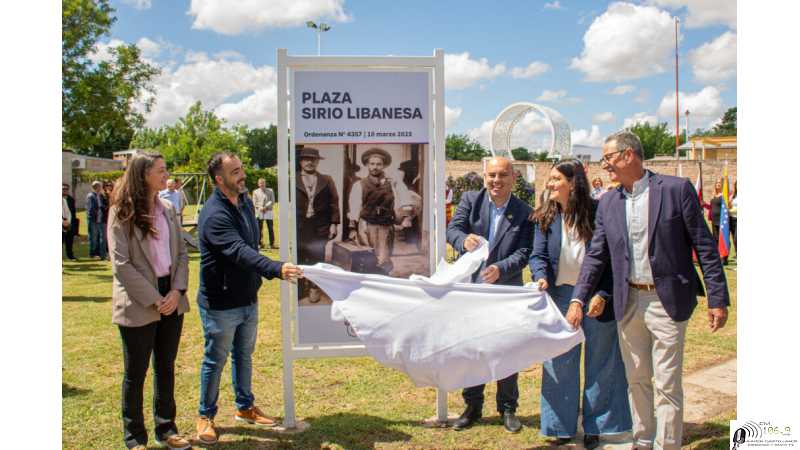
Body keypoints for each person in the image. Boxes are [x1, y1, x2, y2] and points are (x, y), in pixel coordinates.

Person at [571, 131, 730, 450]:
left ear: (629, 155)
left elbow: (705, 246)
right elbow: (596, 256)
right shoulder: (609, 203)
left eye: (608, 158)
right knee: (637, 379)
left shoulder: (676, 190)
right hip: (628, 301)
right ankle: (643, 441)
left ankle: (667, 445)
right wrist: (578, 297)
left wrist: (717, 298)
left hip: (667, 300)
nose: (605, 166)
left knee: (667, 382)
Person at [195, 152, 303, 445]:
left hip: (247, 298)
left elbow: (252, 241)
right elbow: (240, 251)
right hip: (220, 304)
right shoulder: (214, 214)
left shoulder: (243, 202)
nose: (242, 175)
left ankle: (245, 407)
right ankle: (205, 416)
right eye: (235, 172)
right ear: (219, 180)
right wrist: (276, 268)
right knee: (214, 361)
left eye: (241, 169)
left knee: (243, 355)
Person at [529, 159, 631, 449]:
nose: (549, 184)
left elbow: (613, 257)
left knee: (601, 362)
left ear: (573, 183)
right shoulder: (544, 216)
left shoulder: (599, 212)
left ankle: (596, 427)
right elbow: (537, 256)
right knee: (559, 361)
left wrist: (604, 295)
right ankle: (560, 427)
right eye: (549, 179)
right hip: (559, 296)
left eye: (555, 179)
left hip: (596, 296)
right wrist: (540, 277)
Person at [107, 152, 192, 450]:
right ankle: (134, 437)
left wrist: (176, 291)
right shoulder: (121, 211)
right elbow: (121, 265)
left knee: (166, 366)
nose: (165, 174)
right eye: (160, 170)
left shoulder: (168, 207)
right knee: (136, 371)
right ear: (143, 174)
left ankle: (166, 429)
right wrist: (156, 299)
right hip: (139, 300)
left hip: (172, 294)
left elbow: (181, 253)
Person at [445, 156, 534, 434]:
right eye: (492, 175)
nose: (496, 181)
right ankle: (472, 407)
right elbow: (453, 230)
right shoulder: (471, 200)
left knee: (507, 349)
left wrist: (501, 268)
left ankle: (508, 409)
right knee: (473, 349)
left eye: (502, 175)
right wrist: (463, 240)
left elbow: (525, 252)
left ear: (513, 178)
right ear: (485, 177)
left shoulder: (524, 211)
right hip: (471, 291)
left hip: (506, 292)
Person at [347, 147, 416, 275]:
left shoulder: (393, 183)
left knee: (384, 259)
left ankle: (382, 282)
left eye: (378, 164)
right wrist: (352, 228)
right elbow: (355, 206)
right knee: (367, 256)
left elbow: (405, 196)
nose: (375, 167)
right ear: (367, 165)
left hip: (385, 226)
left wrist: (406, 216)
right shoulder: (360, 184)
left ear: (383, 166)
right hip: (366, 226)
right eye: (372, 164)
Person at [296, 148, 340, 263]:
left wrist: (334, 224)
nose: (310, 162)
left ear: (317, 162)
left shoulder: (327, 179)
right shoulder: (293, 179)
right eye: (306, 159)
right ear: (301, 162)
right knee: (299, 257)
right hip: (299, 226)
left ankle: (313, 281)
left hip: (320, 227)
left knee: (317, 257)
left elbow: (334, 202)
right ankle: (301, 281)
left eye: (313, 160)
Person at [252, 178, 277, 249]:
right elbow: (254, 202)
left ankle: (272, 244)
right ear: (258, 184)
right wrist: (260, 208)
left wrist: (265, 207)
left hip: (268, 211)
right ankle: (259, 243)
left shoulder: (270, 191)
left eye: (263, 183)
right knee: (259, 228)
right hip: (259, 212)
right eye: (260, 183)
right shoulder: (255, 192)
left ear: (265, 183)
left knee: (270, 228)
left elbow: (273, 201)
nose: (262, 184)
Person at [86, 180, 108, 260]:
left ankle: (103, 255)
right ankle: (93, 254)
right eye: (99, 186)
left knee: (103, 238)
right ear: (95, 187)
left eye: (100, 186)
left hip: (102, 219)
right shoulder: (90, 196)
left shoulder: (102, 196)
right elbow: (90, 209)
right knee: (93, 238)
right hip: (94, 220)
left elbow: (105, 205)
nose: (100, 188)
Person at [709, 178, 729, 265]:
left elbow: (726, 206)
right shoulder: (713, 195)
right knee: (715, 239)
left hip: (721, 221)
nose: (718, 184)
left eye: (719, 183)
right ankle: (718, 256)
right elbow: (711, 207)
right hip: (714, 220)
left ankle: (724, 258)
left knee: (723, 238)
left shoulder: (723, 195)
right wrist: (704, 204)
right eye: (716, 183)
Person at [62, 183, 77, 260]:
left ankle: (70, 256)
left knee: (69, 240)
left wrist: (73, 223)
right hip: (62, 223)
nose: (65, 190)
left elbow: (73, 212)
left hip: (70, 222)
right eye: (63, 189)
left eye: (66, 189)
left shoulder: (71, 199)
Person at [729, 180, 737, 253]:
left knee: (736, 238)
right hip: (731, 219)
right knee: (733, 238)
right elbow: (729, 206)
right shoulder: (733, 195)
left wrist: (731, 210)